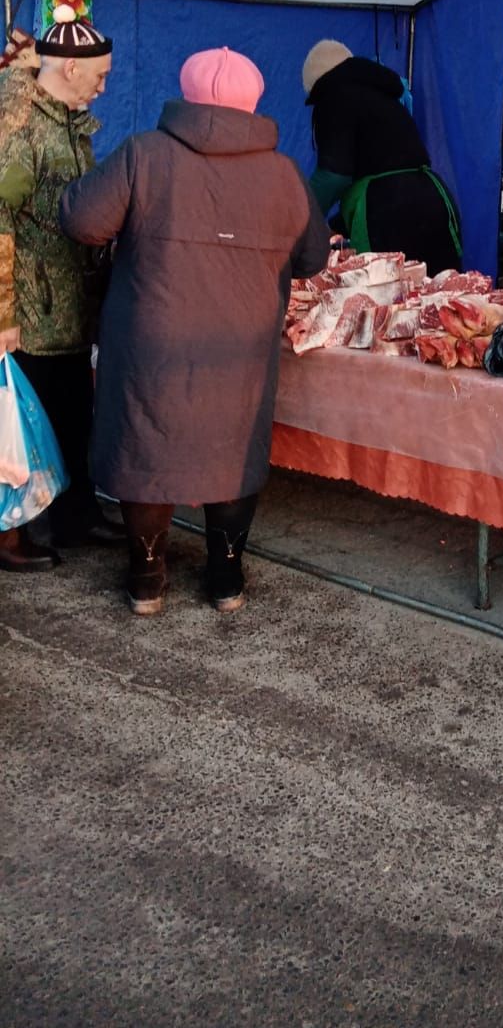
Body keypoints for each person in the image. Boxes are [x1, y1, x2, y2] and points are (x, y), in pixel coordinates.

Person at [60, 47, 329, 615]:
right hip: (242, 346)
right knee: (231, 449)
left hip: (150, 338)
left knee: (145, 446)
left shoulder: (143, 155)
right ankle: (226, 582)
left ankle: (147, 582)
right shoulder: (284, 173)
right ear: (254, 102)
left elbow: (83, 221)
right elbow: (312, 259)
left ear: (184, 96)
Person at [0, 5, 124, 570]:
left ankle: (76, 516)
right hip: (31, 307)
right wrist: (3, 314)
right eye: (99, 77)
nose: (102, 89)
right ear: (70, 69)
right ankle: (15, 530)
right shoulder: (22, 128)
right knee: (23, 427)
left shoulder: (68, 122)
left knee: (74, 412)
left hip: (69, 300)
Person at [302, 40, 461, 271]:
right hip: (433, 197)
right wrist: (337, 224)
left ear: (317, 84)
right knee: (441, 293)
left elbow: (334, 176)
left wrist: (301, 215)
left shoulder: (334, 94)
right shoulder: (381, 92)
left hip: (387, 214)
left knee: (386, 293)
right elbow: (381, 163)